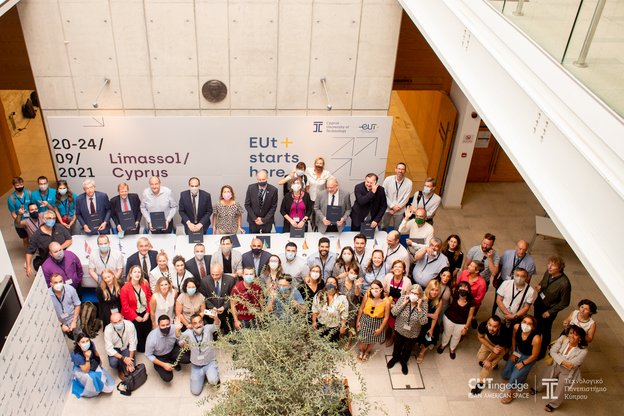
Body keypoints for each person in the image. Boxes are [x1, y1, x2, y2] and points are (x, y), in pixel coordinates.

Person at [537, 325, 588, 412]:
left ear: (580, 338)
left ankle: (553, 404)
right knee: (545, 376)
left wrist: (558, 356)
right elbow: (552, 351)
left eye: (575, 335)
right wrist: (563, 361)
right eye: (571, 333)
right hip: (555, 364)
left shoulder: (583, 351)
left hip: (568, 372)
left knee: (561, 389)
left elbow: (571, 365)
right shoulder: (563, 338)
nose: (571, 336)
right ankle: (536, 388)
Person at [533, 255, 571, 358]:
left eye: (553, 265)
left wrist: (550, 312)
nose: (549, 267)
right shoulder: (548, 272)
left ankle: (541, 352)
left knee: (545, 331)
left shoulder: (564, 284)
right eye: (549, 264)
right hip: (539, 303)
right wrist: (540, 286)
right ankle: (534, 345)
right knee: (536, 325)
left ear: (559, 268)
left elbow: (565, 302)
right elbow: (543, 282)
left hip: (549, 310)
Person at [500, 315, 541, 404]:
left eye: (529, 324)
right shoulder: (516, 327)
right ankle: (522, 376)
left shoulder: (536, 338)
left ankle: (511, 394)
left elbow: (534, 355)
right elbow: (514, 338)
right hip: (518, 351)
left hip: (528, 357)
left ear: (533, 327)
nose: (526, 325)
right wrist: (514, 352)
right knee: (505, 374)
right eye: (524, 322)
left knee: (515, 377)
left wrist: (523, 363)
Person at [388, 284, 428, 374]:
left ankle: (404, 362)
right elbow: (394, 312)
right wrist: (404, 304)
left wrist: (419, 308)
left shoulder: (424, 304)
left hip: (413, 333)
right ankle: (395, 358)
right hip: (400, 329)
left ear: (420, 295)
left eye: (416, 294)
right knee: (397, 345)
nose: (413, 295)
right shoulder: (403, 298)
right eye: (412, 292)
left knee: (407, 349)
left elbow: (423, 322)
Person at [179, 313, 221, 395]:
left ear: (203, 322)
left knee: (213, 381)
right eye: (195, 323)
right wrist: (183, 343)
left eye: (200, 322)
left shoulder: (208, 328)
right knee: (195, 392)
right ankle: (202, 375)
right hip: (196, 364)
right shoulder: (188, 333)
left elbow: (217, 325)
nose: (198, 325)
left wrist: (215, 317)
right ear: (191, 325)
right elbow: (179, 339)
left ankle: (212, 374)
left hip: (209, 362)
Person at [469, 315, 511, 395]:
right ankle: (494, 365)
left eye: (495, 326)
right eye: (490, 325)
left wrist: (488, 361)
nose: (491, 328)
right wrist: (491, 348)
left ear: (499, 326)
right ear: (487, 323)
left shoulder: (504, 333)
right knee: (480, 357)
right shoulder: (483, 325)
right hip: (489, 342)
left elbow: (497, 352)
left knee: (487, 366)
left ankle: (480, 384)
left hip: (500, 348)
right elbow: (481, 337)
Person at [25, 210, 72, 277]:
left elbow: (69, 240)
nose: (52, 220)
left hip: (63, 259)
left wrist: (58, 249)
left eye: (53, 218)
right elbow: (29, 252)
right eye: (49, 218)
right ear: (44, 219)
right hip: (49, 262)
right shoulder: (37, 235)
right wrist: (28, 267)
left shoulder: (59, 227)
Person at [437, 281, 476, 359]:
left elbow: (470, 316)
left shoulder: (471, 301)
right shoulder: (454, 295)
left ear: (468, 290)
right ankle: (443, 345)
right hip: (449, 319)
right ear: (458, 289)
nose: (463, 289)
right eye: (461, 287)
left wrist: (466, 328)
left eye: (465, 287)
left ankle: (452, 349)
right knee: (446, 333)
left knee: (457, 336)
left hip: (461, 323)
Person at [145, 315, 189, 382]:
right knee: (168, 378)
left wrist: (183, 343)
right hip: (160, 356)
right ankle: (160, 364)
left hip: (172, 350)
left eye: (167, 324)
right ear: (158, 325)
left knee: (188, 358)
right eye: (163, 325)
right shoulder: (152, 337)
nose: (166, 327)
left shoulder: (174, 328)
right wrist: (163, 365)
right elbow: (148, 355)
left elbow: (179, 340)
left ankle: (172, 360)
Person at [357, 280, 392, 361]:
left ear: (381, 289)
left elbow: (386, 317)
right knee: (363, 339)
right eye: (372, 288)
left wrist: (380, 329)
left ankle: (367, 352)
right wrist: (358, 321)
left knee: (373, 340)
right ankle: (362, 351)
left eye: (376, 288)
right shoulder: (367, 295)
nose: (374, 290)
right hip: (365, 319)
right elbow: (361, 308)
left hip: (378, 322)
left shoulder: (386, 301)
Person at [70, 334, 114, 398]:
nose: (86, 343)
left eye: (87, 341)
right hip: (82, 369)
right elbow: (85, 370)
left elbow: (96, 353)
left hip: (91, 363)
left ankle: (100, 386)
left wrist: (99, 362)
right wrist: (87, 357)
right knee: (93, 376)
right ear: (78, 343)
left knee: (100, 372)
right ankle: (94, 390)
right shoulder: (76, 355)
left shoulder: (91, 344)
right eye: (83, 342)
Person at [120, 265, 152, 352]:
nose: (137, 274)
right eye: (135, 272)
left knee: (148, 332)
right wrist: (135, 317)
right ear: (130, 274)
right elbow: (125, 307)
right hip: (132, 313)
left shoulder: (144, 284)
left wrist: (148, 312)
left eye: (139, 272)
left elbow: (149, 298)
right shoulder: (124, 289)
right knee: (138, 335)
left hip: (145, 312)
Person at [382, 259, 412, 346]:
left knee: (395, 323)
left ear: (403, 270)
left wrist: (397, 306)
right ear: (392, 269)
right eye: (395, 266)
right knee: (386, 320)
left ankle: (392, 337)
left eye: (400, 267)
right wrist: (386, 299)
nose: (397, 268)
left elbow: (407, 298)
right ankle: (385, 335)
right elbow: (383, 290)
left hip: (400, 306)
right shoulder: (388, 277)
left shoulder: (407, 281)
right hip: (388, 302)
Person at [200, 263, 236, 333]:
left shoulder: (230, 280)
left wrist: (224, 307)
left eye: (217, 275)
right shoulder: (204, 281)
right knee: (214, 333)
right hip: (212, 313)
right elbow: (203, 297)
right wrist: (212, 307)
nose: (214, 277)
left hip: (226, 313)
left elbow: (233, 297)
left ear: (222, 272)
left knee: (228, 331)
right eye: (212, 274)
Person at [312, 276, 349, 343]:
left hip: (334, 326)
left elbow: (344, 314)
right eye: (328, 282)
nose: (330, 284)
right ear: (326, 284)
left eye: (333, 283)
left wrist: (343, 326)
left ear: (337, 286)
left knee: (332, 344)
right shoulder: (319, 295)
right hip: (321, 323)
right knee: (321, 342)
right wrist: (314, 321)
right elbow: (315, 309)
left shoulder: (341, 298)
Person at [416, 280, 442, 364]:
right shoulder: (422, 296)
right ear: (428, 289)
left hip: (431, 324)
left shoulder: (439, 300)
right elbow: (417, 311)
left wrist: (431, 329)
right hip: (420, 321)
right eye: (432, 289)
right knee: (418, 337)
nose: (434, 292)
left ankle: (421, 353)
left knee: (427, 340)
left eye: (436, 290)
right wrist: (429, 314)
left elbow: (435, 317)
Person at [104, 312, 137, 377]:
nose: (118, 324)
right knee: (113, 363)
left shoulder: (130, 325)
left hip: (125, 347)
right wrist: (124, 359)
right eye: (115, 322)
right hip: (115, 349)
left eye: (119, 321)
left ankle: (126, 363)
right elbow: (109, 349)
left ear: (123, 318)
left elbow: (133, 343)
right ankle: (120, 369)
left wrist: (130, 360)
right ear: (111, 322)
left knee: (132, 365)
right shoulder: (107, 329)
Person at [381, 162, 413, 230]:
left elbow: (406, 198)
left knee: (398, 228)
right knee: (384, 226)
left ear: (405, 171)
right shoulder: (388, 179)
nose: (400, 171)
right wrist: (392, 206)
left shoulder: (409, 183)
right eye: (399, 169)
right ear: (395, 169)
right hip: (387, 208)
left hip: (400, 210)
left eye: (402, 169)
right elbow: (383, 194)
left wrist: (396, 208)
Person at [49, 273, 81, 339]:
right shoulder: (47, 295)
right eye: (55, 282)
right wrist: (61, 325)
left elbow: (77, 305)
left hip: (73, 318)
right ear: (51, 284)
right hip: (58, 321)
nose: (59, 284)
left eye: (60, 281)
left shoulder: (70, 289)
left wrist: (74, 321)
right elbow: (48, 313)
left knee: (79, 336)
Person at [7, 176, 32, 246]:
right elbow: (13, 213)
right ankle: (28, 251)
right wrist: (20, 222)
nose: (19, 186)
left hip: (31, 220)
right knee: (25, 238)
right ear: (14, 186)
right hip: (20, 222)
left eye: (21, 184)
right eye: (17, 185)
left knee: (34, 236)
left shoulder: (29, 193)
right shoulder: (11, 199)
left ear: (23, 184)